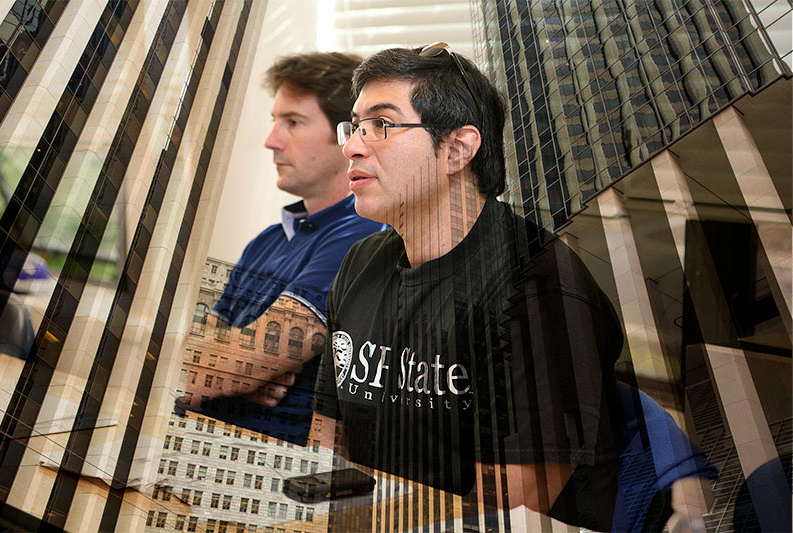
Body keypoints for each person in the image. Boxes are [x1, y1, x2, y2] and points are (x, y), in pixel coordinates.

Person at [311, 44, 624, 529]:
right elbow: (327, 442)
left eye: (383, 126)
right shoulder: (361, 264)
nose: (352, 146)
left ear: (457, 149)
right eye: (354, 127)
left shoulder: (540, 292)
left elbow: (497, 516)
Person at [179, 52, 384, 445]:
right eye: (275, 121)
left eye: (292, 122)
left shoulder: (365, 234)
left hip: (275, 477)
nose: (271, 140)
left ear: (348, 137)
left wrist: (241, 368)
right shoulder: (267, 241)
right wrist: (244, 375)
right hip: (200, 446)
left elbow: (244, 362)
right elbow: (217, 355)